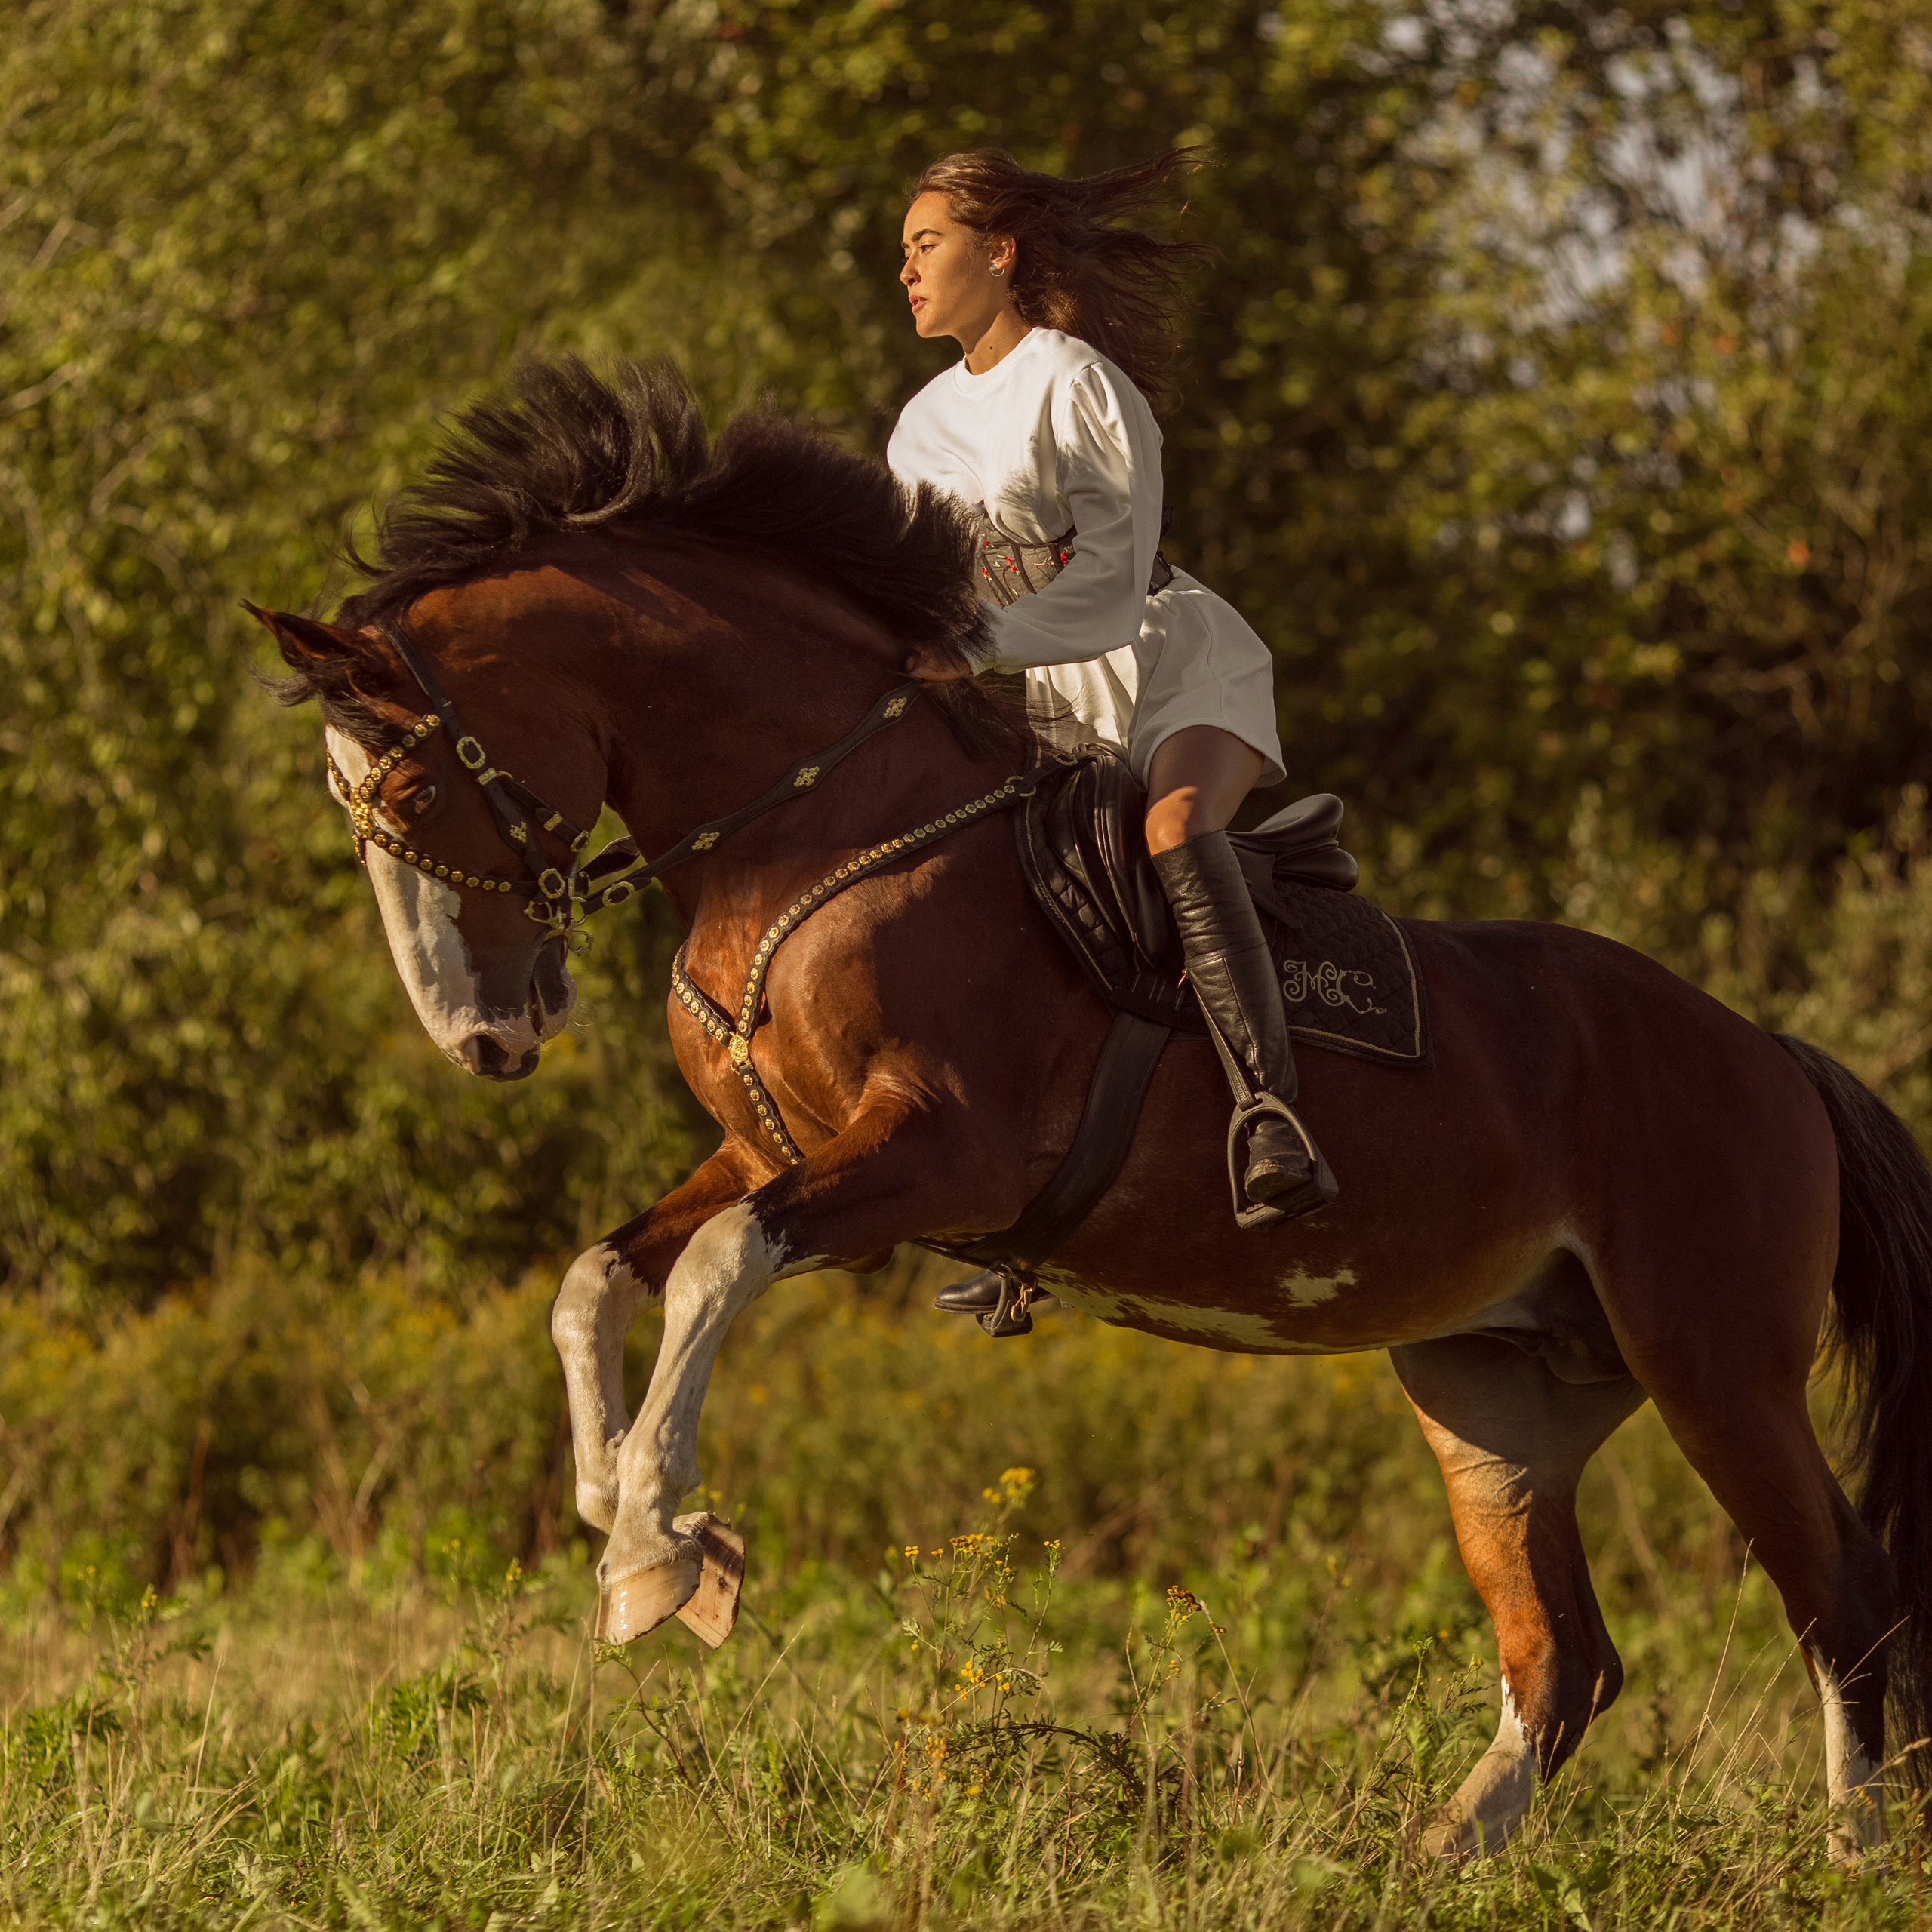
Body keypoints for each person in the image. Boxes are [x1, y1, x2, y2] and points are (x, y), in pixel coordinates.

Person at [888, 146, 1337, 1274]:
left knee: (1176, 829)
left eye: (926, 244)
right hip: (1048, 701)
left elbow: (1111, 573)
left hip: (1172, 658)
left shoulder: (1073, 380)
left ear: (999, 253)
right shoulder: (918, 427)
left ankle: (1268, 1116)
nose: (905, 269)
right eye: (902, 252)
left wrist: (972, 644)